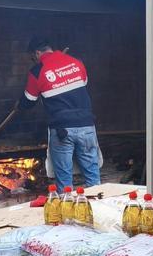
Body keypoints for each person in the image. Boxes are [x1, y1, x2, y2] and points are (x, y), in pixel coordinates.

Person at [18, 37, 100, 189]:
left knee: (64, 180)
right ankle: (99, 205)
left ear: (37, 53)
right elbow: (83, 84)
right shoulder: (76, 62)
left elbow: (29, 100)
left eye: (32, 58)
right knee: (93, 177)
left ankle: (67, 209)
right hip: (87, 126)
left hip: (62, 130)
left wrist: (19, 105)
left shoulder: (37, 71)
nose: (33, 61)